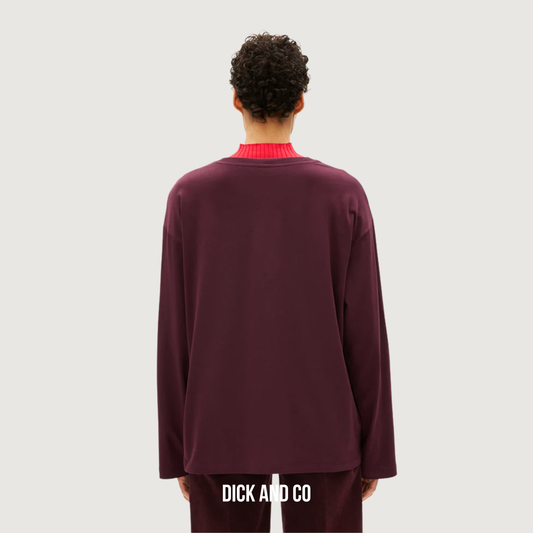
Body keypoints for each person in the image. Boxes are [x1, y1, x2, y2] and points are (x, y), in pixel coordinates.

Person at [157, 32, 397, 533]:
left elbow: (174, 333)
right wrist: (375, 451)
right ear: (301, 101)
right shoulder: (343, 196)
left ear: (236, 99)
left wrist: (178, 449)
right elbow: (366, 336)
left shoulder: (189, 197)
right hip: (325, 436)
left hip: (219, 433)